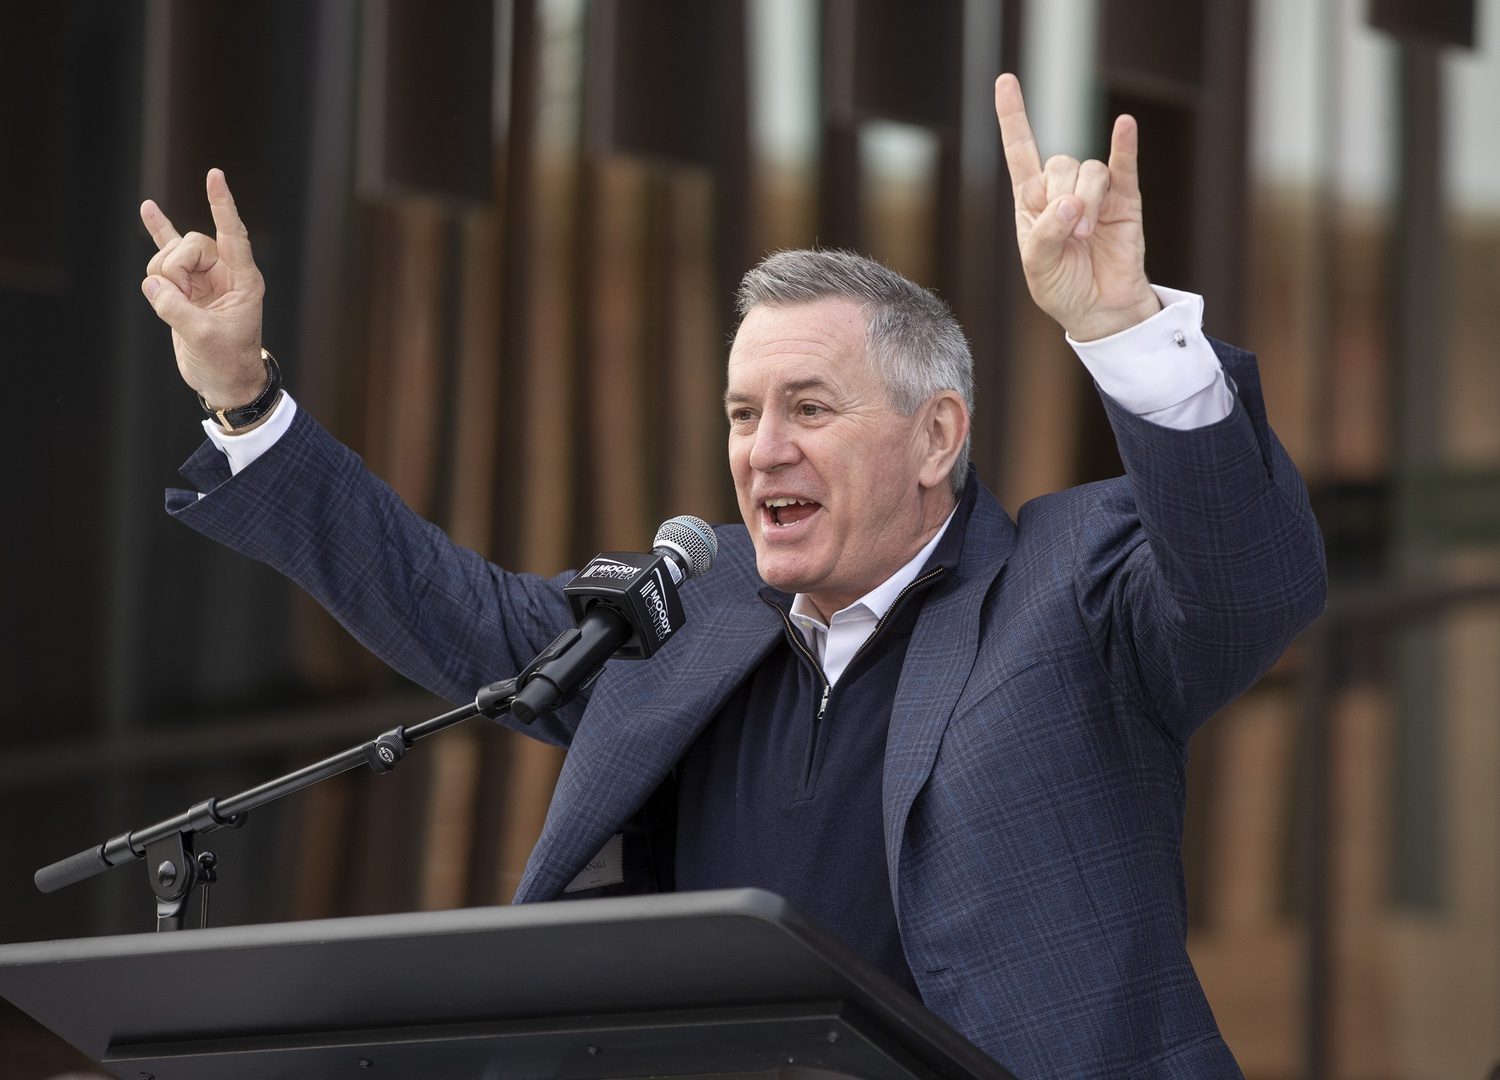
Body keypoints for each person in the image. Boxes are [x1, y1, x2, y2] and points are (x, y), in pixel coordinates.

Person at [138, 75, 1326, 1078]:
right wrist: (246, 401)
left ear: (935, 437)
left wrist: (1119, 328)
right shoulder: (687, 614)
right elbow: (454, 612)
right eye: (743, 413)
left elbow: (1244, 582)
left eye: (810, 408)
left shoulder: (1071, 593)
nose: (763, 451)